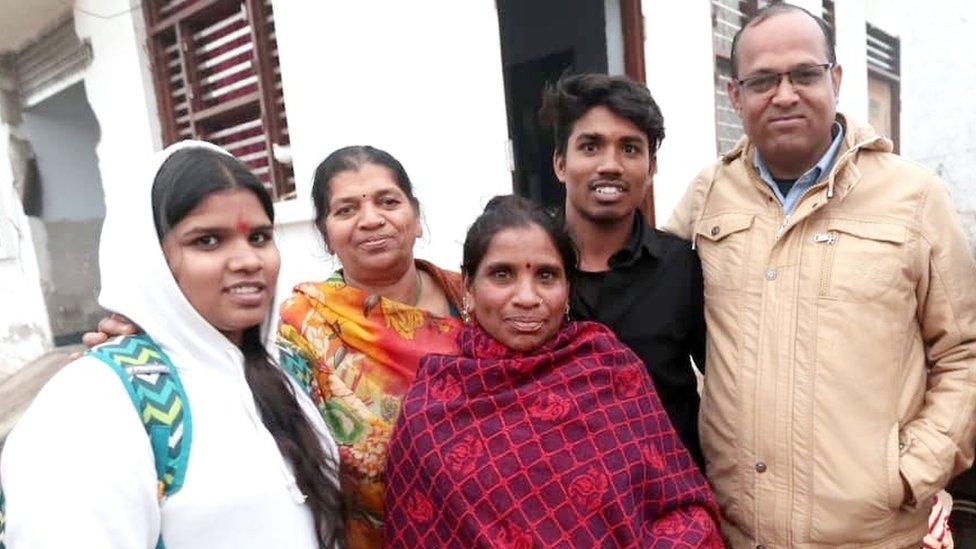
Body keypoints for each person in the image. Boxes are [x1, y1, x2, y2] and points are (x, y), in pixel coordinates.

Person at [665, 4, 976, 547]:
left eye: (805, 74)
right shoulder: (707, 195)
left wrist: (911, 473)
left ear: (835, 80)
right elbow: (654, 315)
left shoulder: (915, 198)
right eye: (762, 80)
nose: (784, 94)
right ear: (735, 96)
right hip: (737, 534)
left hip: (874, 535)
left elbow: (964, 353)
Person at [0, 142, 342, 548]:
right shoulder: (94, 402)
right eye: (208, 241)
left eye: (259, 237)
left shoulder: (288, 371)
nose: (248, 259)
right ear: (151, 261)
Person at [384, 195, 723, 547]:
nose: (527, 297)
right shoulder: (432, 409)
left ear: (568, 287)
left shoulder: (608, 369)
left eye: (546, 276)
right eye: (502, 275)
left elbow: (684, 505)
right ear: (468, 287)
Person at [276, 146, 465, 548]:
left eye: (388, 202)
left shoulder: (474, 300)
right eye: (346, 210)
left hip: (483, 527)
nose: (371, 220)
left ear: (416, 217)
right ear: (326, 236)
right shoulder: (305, 323)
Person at [539, 73, 706, 466]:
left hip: (669, 505)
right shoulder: (526, 273)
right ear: (561, 164)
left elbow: (731, 385)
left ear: (650, 168)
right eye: (591, 146)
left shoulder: (682, 267)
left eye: (630, 149)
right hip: (554, 505)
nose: (610, 165)